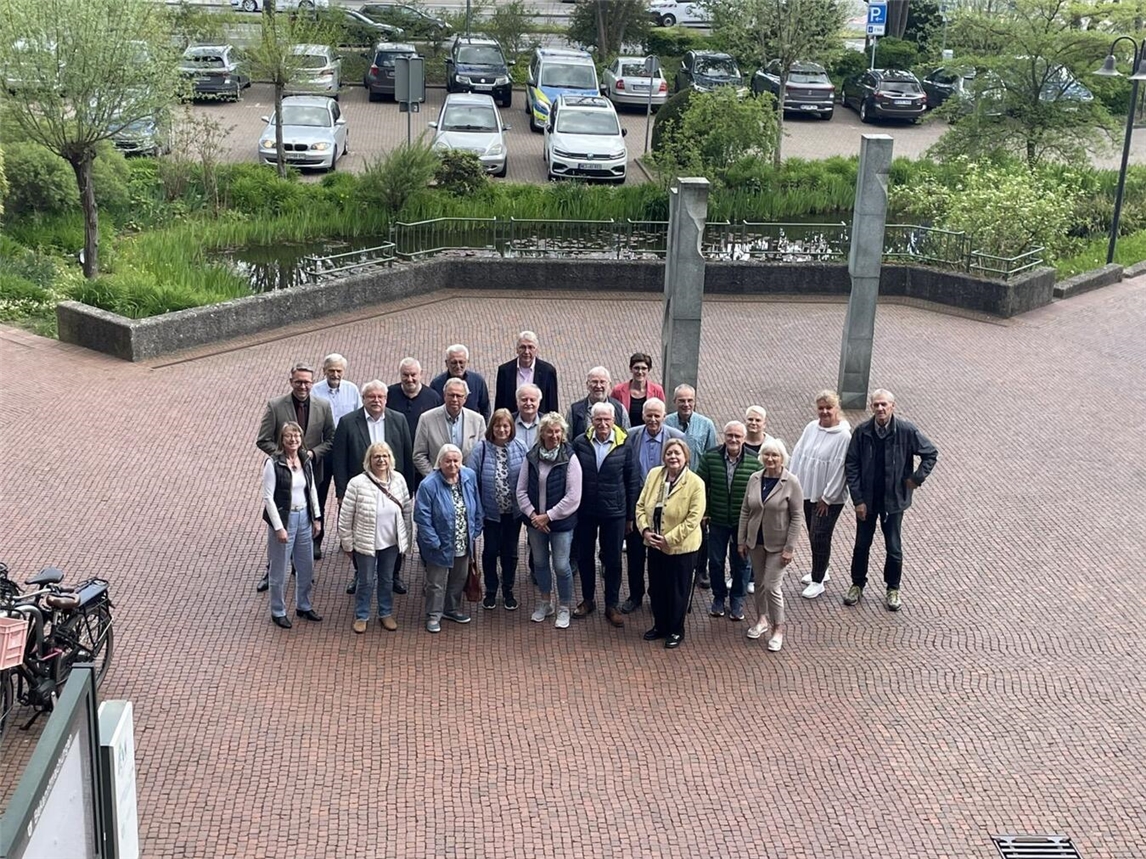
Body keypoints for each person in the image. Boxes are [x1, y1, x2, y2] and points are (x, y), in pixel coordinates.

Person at [843, 389, 938, 612]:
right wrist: (858, 499)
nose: (880, 409)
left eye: (884, 404)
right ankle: (857, 584)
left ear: (892, 406)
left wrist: (916, 478)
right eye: (876, 405)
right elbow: (852, 465)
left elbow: (930, 453)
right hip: (867, 501)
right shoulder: (863, 432)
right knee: (861, 545)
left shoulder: (906, 431)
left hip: (894, 502)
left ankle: (893, 588)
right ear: (871, 407)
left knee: (893, 547)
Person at [255, 363, 335, 591]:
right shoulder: (276, 406)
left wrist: (311, 454)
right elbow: (263, 439)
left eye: (307, 382)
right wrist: (283, 457)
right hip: (283, 478)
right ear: (291, 382)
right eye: (299, 381)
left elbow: (331, 438)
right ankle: (272, 569)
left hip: (312, 474)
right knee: (279, 522)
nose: (303, 386)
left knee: (309, 519)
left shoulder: (323, 406)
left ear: (313, 383)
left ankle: (301, 569)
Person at [332, 381, 414, 596]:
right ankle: (360, 574)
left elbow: (407, 454)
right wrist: (341, 493)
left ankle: (394, 574)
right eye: (371, 397)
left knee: (393, 533)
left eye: (380, 397)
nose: (376, 400)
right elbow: (339, 460)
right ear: (363, 399)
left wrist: (409, 490)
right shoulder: (348, 422)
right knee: (362, 535)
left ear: (386, 399)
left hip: (392, 488)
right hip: (361, 491)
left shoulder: (399, 420)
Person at [571, 402, 639, 628]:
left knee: (613, 560)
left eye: (606, 420)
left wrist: (630, 515)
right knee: (584, 556)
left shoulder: (625, 443)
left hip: (615, 511)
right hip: (586, 510)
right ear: (592, 420)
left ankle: (612, 604)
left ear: (613, 421)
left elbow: (631, 480)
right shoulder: (580, 443)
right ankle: (588, 600)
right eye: (598, 419)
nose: (602, 424)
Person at [635, 438, 706, 649]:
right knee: (657, 588)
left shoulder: (695, 483)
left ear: (686, 457)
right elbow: (640, 505)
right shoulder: (654, 474)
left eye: (677, 453)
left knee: (677, 590)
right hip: (655, 543)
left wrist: (668, 539)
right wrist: (646, 531)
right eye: (669, 453)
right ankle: (660, 625)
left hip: (681, 548)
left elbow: (694, 519)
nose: (673, 457)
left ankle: (676, 629)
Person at [337, 442, 412, 634]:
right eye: (376, 456)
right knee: (366, 580)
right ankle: (362, 615)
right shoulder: (357, 483)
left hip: (391, 543)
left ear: (390, 459)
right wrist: (347, 543)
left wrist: (407, 540)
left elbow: (407, 511)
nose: (381, 460)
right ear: (369, 460)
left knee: (387, 579)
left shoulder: (399, 480)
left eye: (385, 456)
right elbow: (345, 516)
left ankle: (385, 613)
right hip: (365, 542)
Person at [516, 413, 581, 630]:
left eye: (557, 432)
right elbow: (521, 490)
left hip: (560, 524)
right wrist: (534, 516)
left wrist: (549, 516)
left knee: (562, 566)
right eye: (549, 431)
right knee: (541, 563)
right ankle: (545, 602)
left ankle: (564, 606)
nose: (553, 435)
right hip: (535, 523)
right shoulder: (531, 456)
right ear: (541, 433)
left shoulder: (570, 458)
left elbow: (573, 496)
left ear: (562, 434)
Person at [738, 439, 804, 652]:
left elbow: (796, 516)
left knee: (771, 586)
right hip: (755, 541)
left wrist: (790, 548)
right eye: (767, 454)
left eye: (775, 455)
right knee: (758, 583)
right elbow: (746, 510)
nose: (770, 459)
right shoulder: (754, 479)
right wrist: (742, 540)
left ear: (782, 458)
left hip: (778, 544)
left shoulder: (791, 482)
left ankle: (778, 628)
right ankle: (761, 619)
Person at [620, 398, 684, 615]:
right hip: (639, 506)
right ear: (643, 416)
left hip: (667, 509)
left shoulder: (677, 438)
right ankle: (635, 595)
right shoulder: (631, 436)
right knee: (635, 554)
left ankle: (657, 594)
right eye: (649, 415)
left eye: (658, 415)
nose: (653, 419)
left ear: (664, 416)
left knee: (661, 555)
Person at [788, 390, 852, 600]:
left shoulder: (843, 436)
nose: (824, 412)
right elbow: (798, 454)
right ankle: (822, 569)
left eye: (829, 408)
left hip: (827, 498)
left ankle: (818, 580)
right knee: (813, 532)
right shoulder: (811, 428)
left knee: (820, 534)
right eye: (821, 408)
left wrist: (828, 497)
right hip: (807, 490)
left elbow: (840, 468)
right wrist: (792, 483)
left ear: (837, 409)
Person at [413, 444, 484, 633]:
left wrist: (477, 526)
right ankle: (433, 616)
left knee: (458, 578)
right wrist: (433, 541)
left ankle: (451, 609)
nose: (452, 465)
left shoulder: (469, 476)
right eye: (448, 461)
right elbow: (422, 517)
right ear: (440, 462)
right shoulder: (428, 485)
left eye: (456, 461)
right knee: (436, 583)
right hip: (439, 543)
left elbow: (476, 501)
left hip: (463, 540)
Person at [695, 421, 759, 621]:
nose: (733, 440)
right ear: (724, 436)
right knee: (715, 561)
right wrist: (704, 512)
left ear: (744, 438)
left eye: (737, 436)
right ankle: (718, 597)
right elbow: (700, 486)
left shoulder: (755, 461)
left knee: (742, 562)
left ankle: (737, 599)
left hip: (743, 522)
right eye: (729, 435)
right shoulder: (710, 457)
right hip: (718, 519)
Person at [261, 422, 322, 629]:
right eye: (289, 437)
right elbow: (268, 498)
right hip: (285, 519)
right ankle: (278, 611)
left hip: (304, 517)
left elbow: (312, 488)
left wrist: (317, 517)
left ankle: (303, 605)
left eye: (296, 436)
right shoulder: (273, 463)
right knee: (280, 569)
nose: (293, 440)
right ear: (282, 439)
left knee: (306, 566)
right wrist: (279, 527)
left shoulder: (305, 460)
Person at [467, 410, 528, 611]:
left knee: (510, 552)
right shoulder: (481, 449)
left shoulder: (520, 448)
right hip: (490, 513)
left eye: (506, 426)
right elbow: (471, 481)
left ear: (511, 428)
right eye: (497, 426)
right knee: (491, 551)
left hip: (514, 513)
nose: (501, 430)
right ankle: (491, 591)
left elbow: (528, 478)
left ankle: (508, 589)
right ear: (491, 427)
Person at [664, 383, 718, 589]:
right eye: (682, 401)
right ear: (675, 402)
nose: (686, 404)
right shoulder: (667, 422)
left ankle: (700, 569)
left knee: (700, 528)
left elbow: (711, 455)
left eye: (690, 401)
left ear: (695, 402)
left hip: (697, 485)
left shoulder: (706, 424)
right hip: (672, 484)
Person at [310, 353, 362, 558]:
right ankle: (316, 539)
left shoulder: (352, 390)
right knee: (319, 496)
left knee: (347, 496)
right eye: (331, 370)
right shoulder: (315, 391)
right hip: (323, 450)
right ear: (324, 371)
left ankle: (345, 537)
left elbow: (358, 418)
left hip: (346, 451)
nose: (335, 374)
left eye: (339, 370)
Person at [413, 378, 488, 477]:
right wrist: (433, 478)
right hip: (437, 484)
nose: (455, 399)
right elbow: (419, 455)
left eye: (459, 396)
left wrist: (470, 478)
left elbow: (483, 455)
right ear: (444, 396)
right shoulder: (426, 419)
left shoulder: (477, 421)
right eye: (451, 395)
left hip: (467, 482)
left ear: (465, 398)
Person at [495, 330, 559, 414]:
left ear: (536, 350)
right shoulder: (504, 371)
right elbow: (499, 404)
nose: (526, 352)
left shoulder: (547, 372)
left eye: (530, 347)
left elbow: (552, 405)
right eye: (523, 347)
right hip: (511, 424)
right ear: (517, 349)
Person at [387, 358, 442, 453]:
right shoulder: (389, 395)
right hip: (395, 452)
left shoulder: (433, 398)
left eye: (413, 375)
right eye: (405, 375)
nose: (409, 379)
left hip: (423, 453)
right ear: (400, 374)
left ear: (421, 374)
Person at [566, 366, 629, 439]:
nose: (598, 386)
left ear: (609, 385)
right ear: (587, 385)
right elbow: (567, 440)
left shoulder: (619, 409)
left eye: (602, 382)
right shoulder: (574, 411)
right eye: (594, 382)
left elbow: (626, 438)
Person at [430, 344, 491, 420]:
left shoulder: (478, 381)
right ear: (446, 363)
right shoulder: (437, 384)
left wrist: (482, 428)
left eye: (461, 362)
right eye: (454, 362)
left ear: (467, 362)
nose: (458, 366)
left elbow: (485, 408)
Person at [611, 352, 666, 430]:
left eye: (644, 368)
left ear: (649, 370)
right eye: (636, 368)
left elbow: (662, 414)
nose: (640, 372)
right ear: (631, 369)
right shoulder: (618, 391)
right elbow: (611, 413)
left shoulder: (657, 390)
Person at [513, 383, 542, 450]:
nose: (528, 403)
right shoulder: (509, 421)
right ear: (517, 402)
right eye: (524, 400)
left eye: (532, 400)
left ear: (539, 402)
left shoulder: (547, 423)